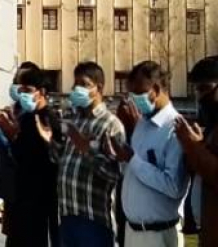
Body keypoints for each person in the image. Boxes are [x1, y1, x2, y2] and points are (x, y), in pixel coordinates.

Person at [37, 61, 126, 247]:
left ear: (98, 88)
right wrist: (50, 142)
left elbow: (114, 173)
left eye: (83, 84)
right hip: (68, 215)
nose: (76, 89)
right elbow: (62, 159)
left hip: (94, 219)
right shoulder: (74, 120)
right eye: (75, 84)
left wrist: (87, 150)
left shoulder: (110, 124)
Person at [103, 61, 187, 247]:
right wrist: (122, 158)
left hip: (158, 234)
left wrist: (132, 159)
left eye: (138, 94)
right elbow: (134, 171)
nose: (133, 101)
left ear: (155, 89)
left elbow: (174, 186)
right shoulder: (141, 125)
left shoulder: (175, 129)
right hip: (132, 231)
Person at [0, 67, 60, 247]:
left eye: (28, 90)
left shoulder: (48, 119)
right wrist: (12, 135)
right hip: (21, 196)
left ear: (42, 92)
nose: (23, 94)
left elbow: (45, 159)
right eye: (21, 90)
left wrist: (13, 136)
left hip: (39, 201)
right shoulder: (27, 117)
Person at [176, 56, 218, 247]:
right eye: (197, 90)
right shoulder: (211, 126)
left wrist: (194, 146)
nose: (200, 97)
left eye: (205, 89)